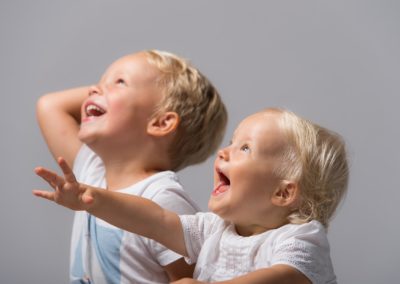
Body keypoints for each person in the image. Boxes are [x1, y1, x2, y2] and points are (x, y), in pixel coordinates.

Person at [34, 108, 349, 284]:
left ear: (283, 192)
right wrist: (92, 198)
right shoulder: (214, 230)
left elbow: (284, 277)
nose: (224, 152)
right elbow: (156, 220)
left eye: (245, 148)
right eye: (232, 141)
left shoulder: (301, 240)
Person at [34, 50, 227, 284]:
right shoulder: (92, 170)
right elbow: (49, 105)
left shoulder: (162, 199)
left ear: (161, 122)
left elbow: (191, 279)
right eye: (99, 82)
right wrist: (107, 89)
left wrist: (103, 93)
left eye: (120, 82)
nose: (94, 88)